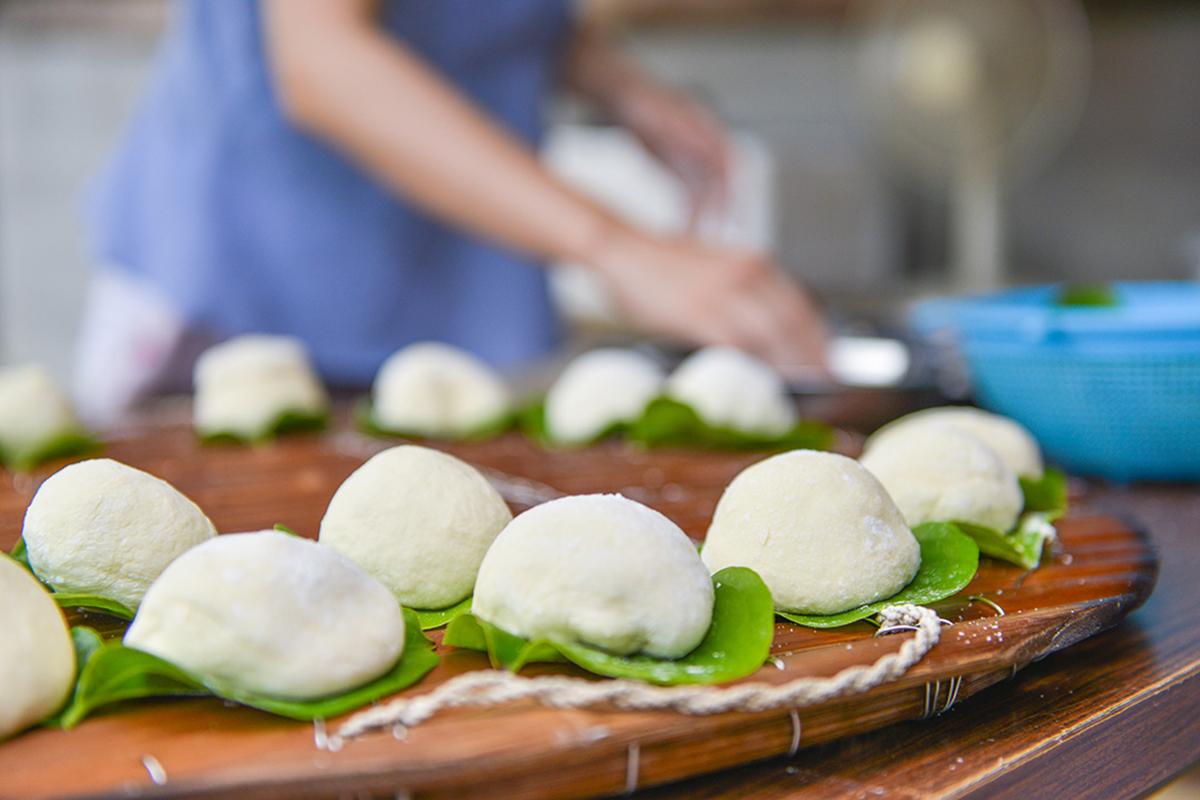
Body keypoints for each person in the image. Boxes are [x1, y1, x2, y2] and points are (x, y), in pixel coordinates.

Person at [76, 0, 827, 422]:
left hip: (426, 279)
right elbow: (321, 61)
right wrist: (618, 248)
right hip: (252, 280)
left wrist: (621, 85)